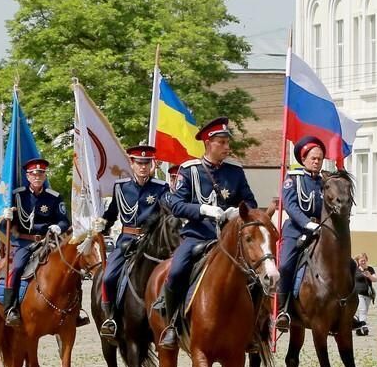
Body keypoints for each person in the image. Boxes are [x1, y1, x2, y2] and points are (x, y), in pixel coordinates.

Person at [158, 117, 257, 349]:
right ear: (208, 143)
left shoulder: (236, 172)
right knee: (176, 271)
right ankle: (173, 324)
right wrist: (202, 209)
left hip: (229, 239)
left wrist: (237, 212)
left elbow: (250, 202)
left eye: (227, 142)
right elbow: (177, 205)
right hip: (197, 235)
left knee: (255, 276)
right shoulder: (189, 170)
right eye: (221, 142)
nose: (226, 147)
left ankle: (253, 328)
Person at [97, 145, 169, 342]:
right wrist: (103, 222)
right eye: (139, 163)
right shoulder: (121, 187)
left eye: (147, 163)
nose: (143, 167)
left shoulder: (161, 188)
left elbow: (169, 210)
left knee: (172, 274)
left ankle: (173, 319)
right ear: (131, 164)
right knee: (108, 277)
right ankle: (110, 318)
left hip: (152, 241)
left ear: (152, 164)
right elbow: (113, 212)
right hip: (126, 240)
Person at [0, 158, 71, 327]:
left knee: (68, 267)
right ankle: (11, 308)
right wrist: (6, 217)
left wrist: (58, 227)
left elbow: (64, 221)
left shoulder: (53, 197)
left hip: (48, 241)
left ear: (45, 176)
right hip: (25, 242)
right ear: (28, 176)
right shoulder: (17, 195)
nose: (37, 177)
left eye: (41, 174)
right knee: (16, 268)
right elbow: (6, 225)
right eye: (34, 174)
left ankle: (74, 309)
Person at [274, 136, 326, 333]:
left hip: (322, 231)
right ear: (303, 159)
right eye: (313, 158)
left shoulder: (324, 181)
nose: (317, 161)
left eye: (320, 158)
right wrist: (306, 224)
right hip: (296, 230)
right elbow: (291, 205)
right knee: (286, 266)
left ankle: (345, 306)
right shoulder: (293, 179)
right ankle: (283, 310)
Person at [354, 253, 377, 336]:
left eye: (364, 260)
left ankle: (358, 329)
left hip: (368, 294)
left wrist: (369, 276)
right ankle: (364, 327)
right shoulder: (355, 269)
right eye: (361, 261)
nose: (363, 262)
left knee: (363, 312)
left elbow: (375, 279)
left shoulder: (370, 269)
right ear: (358, 261)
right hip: (358, 294)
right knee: (362, 310)